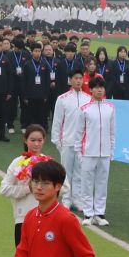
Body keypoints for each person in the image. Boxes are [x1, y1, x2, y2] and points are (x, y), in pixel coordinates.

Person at [75, 75, 117, 226]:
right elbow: (79, 132)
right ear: (91, 90)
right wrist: (79, 151)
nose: (99, 90)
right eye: (97, 88)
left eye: (102, 87)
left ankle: (99, 213)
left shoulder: (110, 108)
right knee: (87, 183)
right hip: (88, 152)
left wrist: (111, 150)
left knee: (102, 183)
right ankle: (88, 214)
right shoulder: (84, 109)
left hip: (105, 152)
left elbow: (112, 132)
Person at [0, 125, 49, 246]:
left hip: (47, 219)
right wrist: (28, 189)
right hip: (23, 218)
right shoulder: (17, 163)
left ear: (44, 141)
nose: (36, 144)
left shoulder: (48, 162)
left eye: (40, 140)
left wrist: (45, 188)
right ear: (25, 140)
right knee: (23, 256)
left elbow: (64, 187)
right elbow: (4, 189)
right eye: (33, 140)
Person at [51, 72, 90, 212]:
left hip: (82, 143)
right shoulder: (62, 99)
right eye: (76, 78)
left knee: (79, 172)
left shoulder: (88, 98)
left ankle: (77, 200)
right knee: (66, 172)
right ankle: (66, 199)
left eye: (81, 79)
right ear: (70, 80)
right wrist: (57, 141)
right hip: (67, 141)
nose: (79, 81)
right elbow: (57, 121)